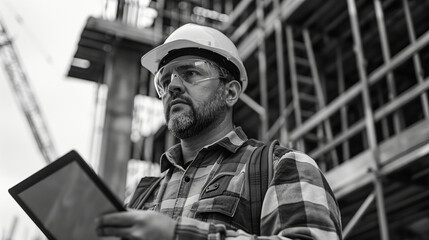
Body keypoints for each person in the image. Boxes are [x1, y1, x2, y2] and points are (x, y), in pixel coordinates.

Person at [95, 23, 342, 240]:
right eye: (165, 80)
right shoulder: (142, 196)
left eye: (190, 73)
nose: (174, 86)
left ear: (230, 92)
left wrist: (179, 235)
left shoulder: (281, 167)